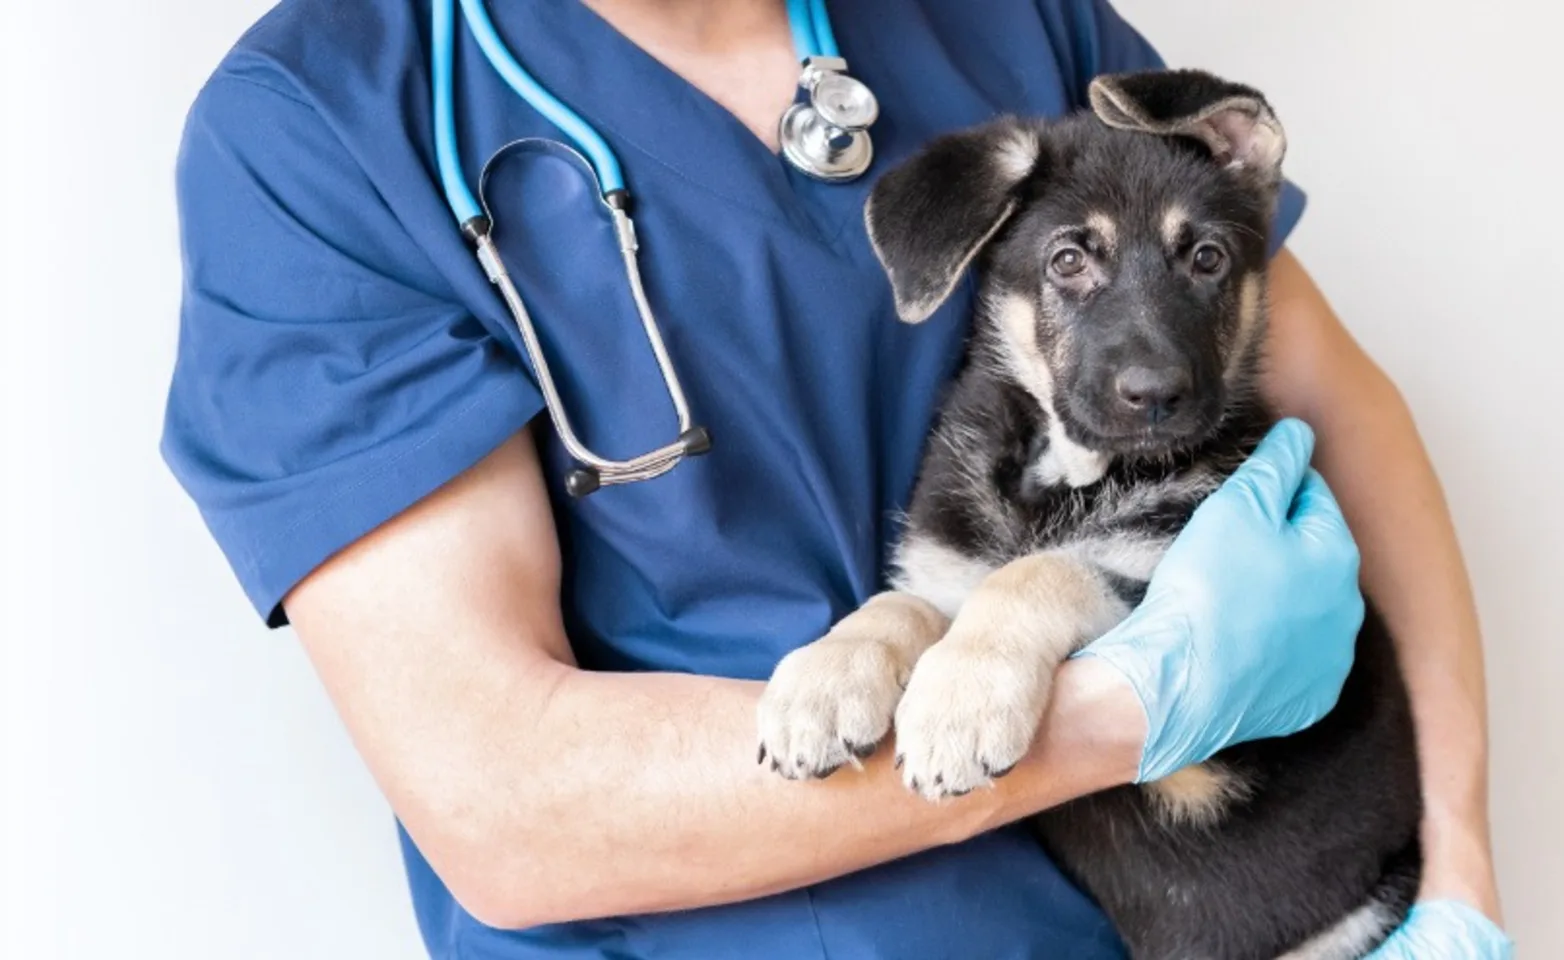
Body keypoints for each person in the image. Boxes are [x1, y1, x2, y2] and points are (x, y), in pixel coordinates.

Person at [160, 0, 1511, 957]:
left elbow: (1346, 414)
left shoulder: (1009, 25)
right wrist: (1117, 712)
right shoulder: (328, 127)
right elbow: (500, 804)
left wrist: (1456, 875)